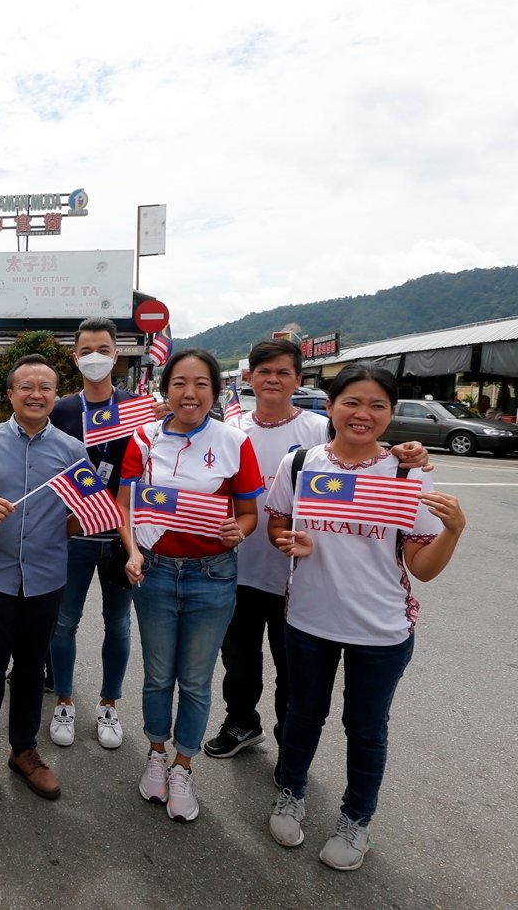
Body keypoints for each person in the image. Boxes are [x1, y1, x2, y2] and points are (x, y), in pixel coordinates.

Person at [264, 363, 464, 870]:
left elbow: (422, 567)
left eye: (378, 405)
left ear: (391, 414)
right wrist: (288, 541)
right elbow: (280, 523)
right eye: (351, 401)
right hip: (308, 621)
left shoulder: (405, 473)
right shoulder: (302, 462)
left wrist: (453, 532)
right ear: (328, 407)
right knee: (302, 715)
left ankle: (356, 821)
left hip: (382, 630)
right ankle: (291, 793)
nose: (363, 414)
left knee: (366, 728)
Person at [204, 341, 429, 768]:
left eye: (283, 372)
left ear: (297, 379)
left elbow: (362, 452)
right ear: (248, 377)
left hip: (300, 576)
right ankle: (240, 722)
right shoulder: (233, 427)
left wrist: (407, 452)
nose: (273, 379)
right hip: (238, 566)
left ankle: (290, 745)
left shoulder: (315, 428)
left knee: (293, 672)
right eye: (264, 371)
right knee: (238, 659)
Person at [118, 348, 264, 822]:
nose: (190, 392)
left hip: (213, 576)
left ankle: (184, 765)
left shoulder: (233, 442)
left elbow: (248, 513)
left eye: (202, 383)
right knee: (159, 675)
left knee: (197, 681)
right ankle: (157, 754)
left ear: (215, 392)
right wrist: (133, 550)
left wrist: (238, 531)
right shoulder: (143, 439)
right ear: (166, 389)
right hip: (155, 570)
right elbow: (125, 507)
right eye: (180, 382)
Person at [0, 354, 88, 807]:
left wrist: (70, 525)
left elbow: (81, 514)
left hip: (47, 580)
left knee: (30, 670)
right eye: (26, 386)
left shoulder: (71, 450)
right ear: (10, 394)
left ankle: (24, 751)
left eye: (45, 387)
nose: (35, 394)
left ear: (55, 395)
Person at [46, 317, 141, 749]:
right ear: (75, 357)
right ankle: (63, 700)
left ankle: (109, 705)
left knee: (118, 625)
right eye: (86, 351)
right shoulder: (63, 409)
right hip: (75, 534)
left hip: (121, 536)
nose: (95, 358)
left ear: (116, 354)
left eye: (103, 349)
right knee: (63, 623)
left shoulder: (137, 408)